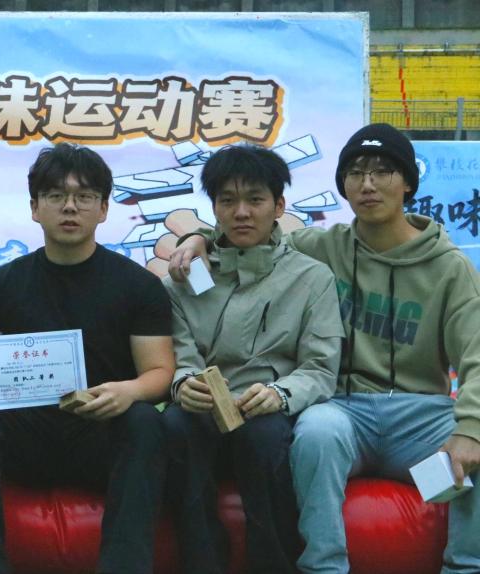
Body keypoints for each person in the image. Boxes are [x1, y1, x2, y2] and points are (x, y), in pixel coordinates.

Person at [169, 124, 480, 573]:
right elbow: (249, 232)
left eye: (383, 171)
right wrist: (197, 238)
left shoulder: (450, 268)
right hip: (342, 409)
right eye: (356, 173)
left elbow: (475, 357)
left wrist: (470, 428)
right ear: (343, 186)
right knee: (315, 434)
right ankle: (323, 567)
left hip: (419, 414)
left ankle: (465, 567)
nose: (368, 184)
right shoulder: (320, 247)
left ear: (408, 183)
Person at [0, 143, 174, 573]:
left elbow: (160, 372)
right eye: (56, 196)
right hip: (26, 436)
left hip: (98, 434)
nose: (70, 207)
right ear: (35, 208)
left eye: (84, 197)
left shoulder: (138, 285)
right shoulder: (2, 283)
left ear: (103, 209)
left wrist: (128, 391)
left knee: (145, 421)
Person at [161, 145, 343, 574]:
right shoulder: (184, 280)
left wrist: (281, 394)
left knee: (264, 435)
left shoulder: (312, 278)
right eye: (228, 200)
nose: (241, 212)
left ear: (279, 206)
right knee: (174, 425)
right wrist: (184, 382)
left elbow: (320, 367)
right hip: (203, 414)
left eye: (255, 200)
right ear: (214, 209)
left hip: (268, 413)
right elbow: (180, 355)